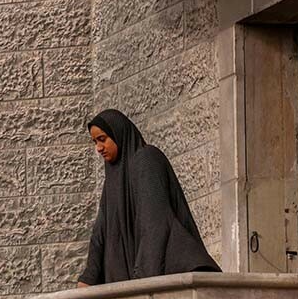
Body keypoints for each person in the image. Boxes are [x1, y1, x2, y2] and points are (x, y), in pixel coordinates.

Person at [77, 109, 220, 287]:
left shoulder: (146, 159)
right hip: (136, 282)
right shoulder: (113, 180)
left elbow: (155, 224)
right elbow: (100, 232)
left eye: (102, 139)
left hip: (161, 274)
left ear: (118, 133)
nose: (98, 148)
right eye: (95, 142)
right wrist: (88, 278)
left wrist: (141, 282)